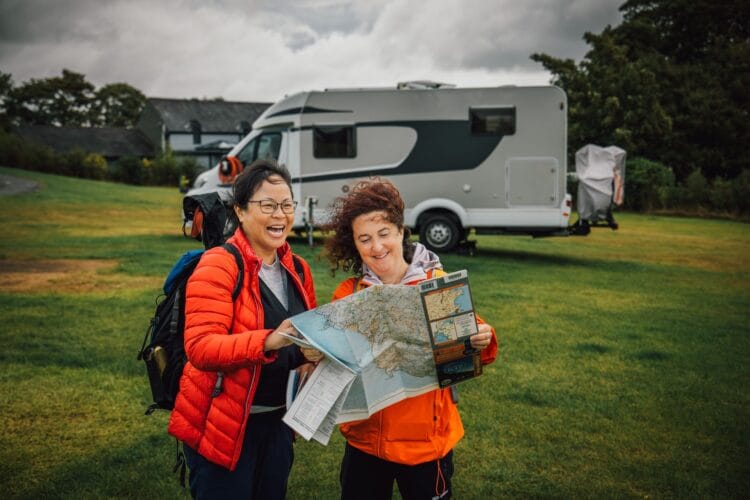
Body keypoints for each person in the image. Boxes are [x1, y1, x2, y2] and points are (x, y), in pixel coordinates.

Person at [324, 178, 498, 500]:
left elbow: (472, 355)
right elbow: (335, 366)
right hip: (365, 442)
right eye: (365, 239)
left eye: (384, 234)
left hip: (426, 445)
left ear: (401, 232)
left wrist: (482, 337)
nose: (376, 247)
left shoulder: (436, 283)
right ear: (355, 244)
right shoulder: (348, 293)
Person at [168, 159, 318, 499]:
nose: (280, 215)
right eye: (267, 205)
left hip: (278, 423)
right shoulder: (219, 263)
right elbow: (201, 347)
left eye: (287, 205)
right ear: (241, 210)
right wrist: (270, 340)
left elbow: (307, 334)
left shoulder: (298, 268)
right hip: (223, 423)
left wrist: (313, 356)